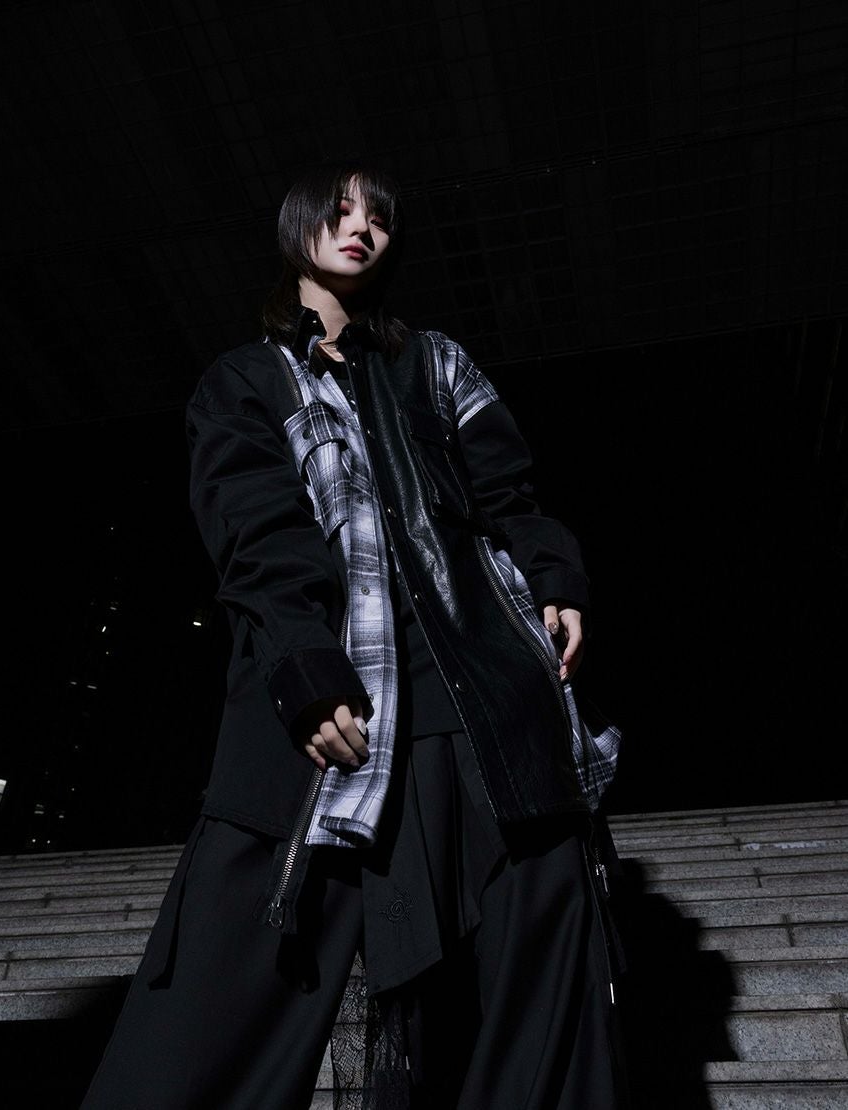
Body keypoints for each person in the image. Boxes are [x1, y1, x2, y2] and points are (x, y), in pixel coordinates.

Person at [80, 162, 628, 1109]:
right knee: (219, 1000)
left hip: (484, 697)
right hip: (339, 701)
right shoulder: (246, 380)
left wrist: (555, 577)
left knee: (539, 965)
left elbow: (509, 493)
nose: (360, 227)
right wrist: (303, 661)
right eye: (339, 211)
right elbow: (256, 533)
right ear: (296, 227)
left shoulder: (438, 363)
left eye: (379, 218)